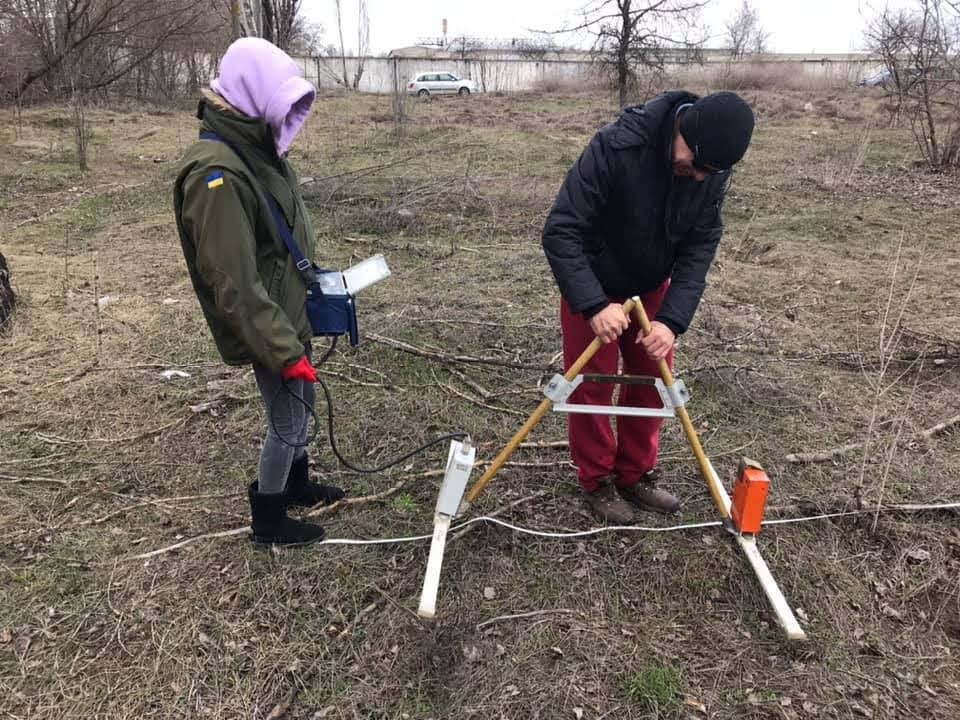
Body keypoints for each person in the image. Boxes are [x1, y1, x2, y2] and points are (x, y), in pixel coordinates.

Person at [541, 90, 754, 523]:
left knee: (651, 382)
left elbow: (699, 249)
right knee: (592, 386)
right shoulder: (617, 145)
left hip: (652, 288)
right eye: (694, 165)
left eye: (708, 172)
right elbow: (561, 230)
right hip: (596, 285)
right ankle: (597, 481)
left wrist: (671, 322)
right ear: (684, 130)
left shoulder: (709, 171)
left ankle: (635, 475)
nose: (697, 177)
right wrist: (595, 304)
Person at [173, 38, 343, 546]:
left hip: (287, 313)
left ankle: (296, 484)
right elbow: (234, 282)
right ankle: (269, 519)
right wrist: (284, 350)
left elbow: (279, 241)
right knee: (288, 419)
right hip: (267, 322)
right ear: (253, 92)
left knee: (302, 404)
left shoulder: (255, 150)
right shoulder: (216, 173)